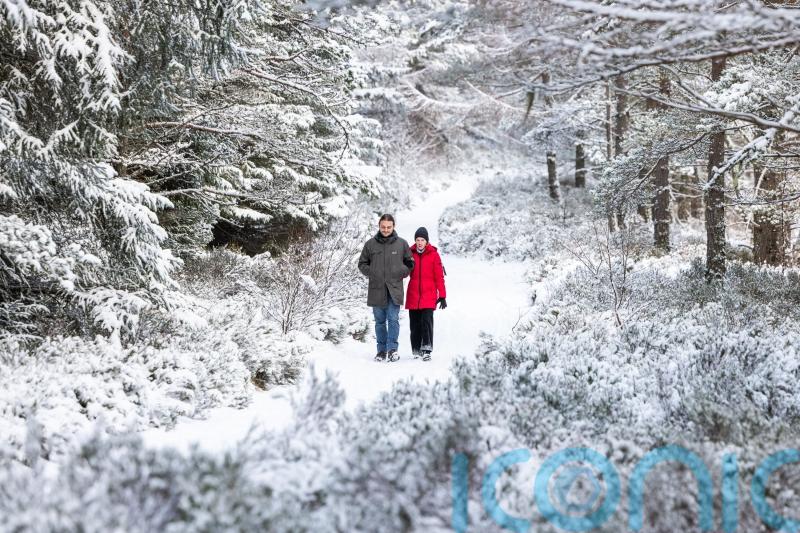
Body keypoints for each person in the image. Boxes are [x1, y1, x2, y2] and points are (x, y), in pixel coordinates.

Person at [358, 214, 414, 362]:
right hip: (377, 289)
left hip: (394, 289)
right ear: (379, 226)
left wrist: (400, 272)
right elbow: (362, 264)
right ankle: (381, 351)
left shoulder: (402, 244)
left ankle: (392, 349)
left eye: (389, 227)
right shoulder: (370, 244)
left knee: (393, 319)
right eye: (383, 227)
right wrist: (373, 273)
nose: (386, 229)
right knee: (380, 322)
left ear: (393, 226)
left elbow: (410, 263)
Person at [405, 227, 446, 362]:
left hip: (428, 294)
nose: (420, 242)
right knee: (415, 324)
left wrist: (442, 295)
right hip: (414, 294)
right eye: (418, 240)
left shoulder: (434, 254)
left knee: (426, 322)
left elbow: (439, 276)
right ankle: (416, 349)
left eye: (422, 240)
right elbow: (403, 272)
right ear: (415, 241)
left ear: (427, 241)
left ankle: (427, 349)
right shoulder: (410, 254)